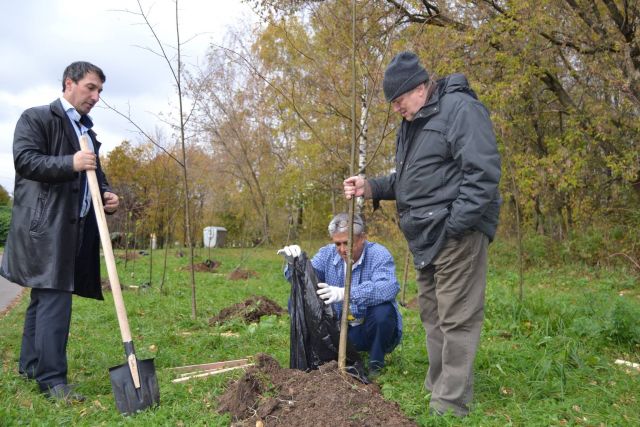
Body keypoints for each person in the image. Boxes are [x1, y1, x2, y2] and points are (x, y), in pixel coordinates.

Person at [343, 51, 501, 417]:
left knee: (457, 316)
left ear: (419, 87)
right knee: (431, 313)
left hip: (456, 232)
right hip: (426, 236)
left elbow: (483, 173)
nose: (395, 107)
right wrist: (372, 187)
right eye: (392, 102)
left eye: (398, 99)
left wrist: (456, 224)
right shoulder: (414, 121)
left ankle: (450, 403)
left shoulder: (461, 110)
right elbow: (411, 181)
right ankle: (438, 383)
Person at [0, 61, 119, 403]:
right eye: (91, 88)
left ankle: (31, 366)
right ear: (70, 83)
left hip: (74, 230)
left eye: (99, 91)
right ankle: (53, 383)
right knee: (55, 301)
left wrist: (108, 195)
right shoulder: (36, 118)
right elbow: (25, 161)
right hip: (44, 229)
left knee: (42, 300)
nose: (96, 96)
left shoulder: (87, 132)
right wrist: (71, 162)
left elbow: (96, 176)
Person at [279, 213, 402, 377]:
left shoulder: (378, 254)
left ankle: (375, 364)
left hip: (367, 329)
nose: (343, 249)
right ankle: (324, 357)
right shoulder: (327, 255)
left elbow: (389, 287)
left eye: (348, 243)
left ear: (362, 238)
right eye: (338, 243)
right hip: (337, 331)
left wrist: (346, 293)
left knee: (383, 312)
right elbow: (305, 282)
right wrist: (295, 264)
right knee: (299, 300)